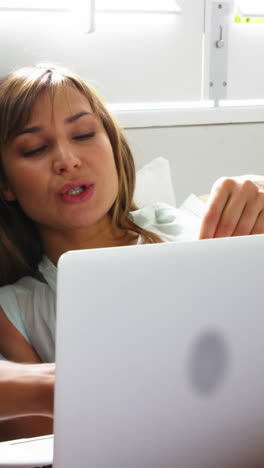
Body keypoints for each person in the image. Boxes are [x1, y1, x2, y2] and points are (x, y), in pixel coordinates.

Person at [0, 64, 264, 440]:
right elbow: (44, 448)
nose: (67, 160)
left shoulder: (201, 221)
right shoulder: (16, 311)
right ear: (5, 184)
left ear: (111, 144)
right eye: (36, 148)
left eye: (84, 133)